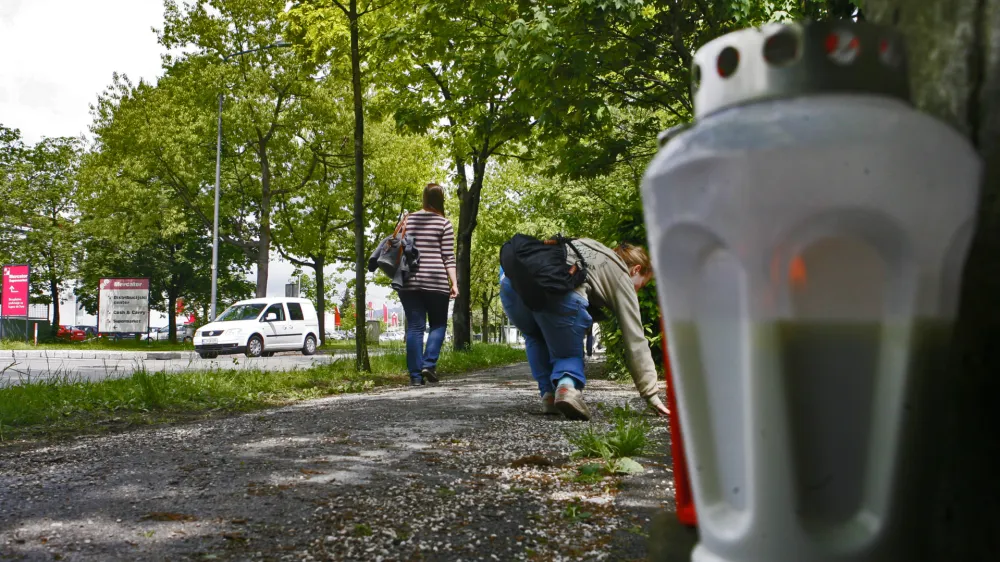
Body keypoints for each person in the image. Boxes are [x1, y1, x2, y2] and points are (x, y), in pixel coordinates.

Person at [499, 239, 669, 420]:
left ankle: (548, 396)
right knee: (568, 354)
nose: (636, 291)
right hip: (557, 293)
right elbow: (635, 339)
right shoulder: (621, 276)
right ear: (635, 270)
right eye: (640, 285)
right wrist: (651, 394)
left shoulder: (586, 245)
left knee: (534, 336)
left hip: (512, 283)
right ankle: (567, 388)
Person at [398, 183, 458, 386]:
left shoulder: (408, 219)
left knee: (415, 327)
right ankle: (429, 364)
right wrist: (454, 283)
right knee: (439, 324)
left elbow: (400, 246)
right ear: (441, 200)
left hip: (410, 281)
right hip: (436, 281)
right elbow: (448, 257)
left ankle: (415, 377)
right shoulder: (444, 223)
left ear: (424, 198)